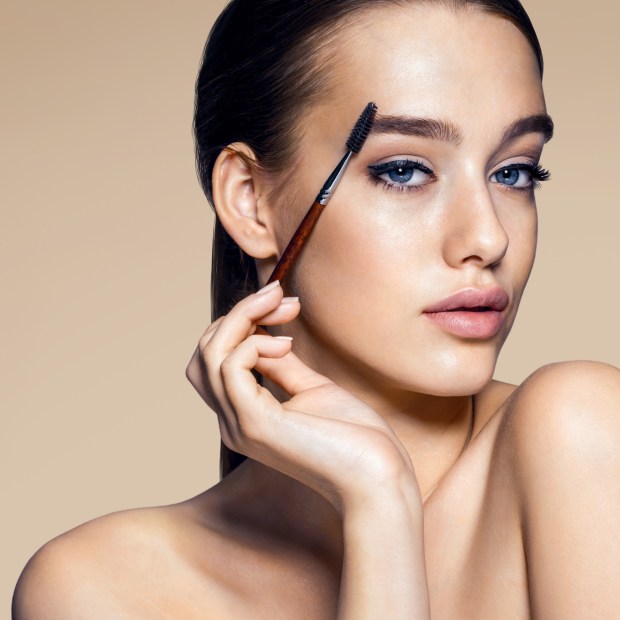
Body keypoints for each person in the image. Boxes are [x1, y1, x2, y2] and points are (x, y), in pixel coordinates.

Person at [12, 0, 620, 618]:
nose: (488, 238)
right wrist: (377, 499)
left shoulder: (586, 436)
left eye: (515, 173)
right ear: (250, 201)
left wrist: (380, 505)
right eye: (404, 170)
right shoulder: (103, 589)